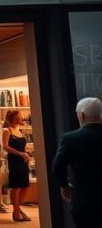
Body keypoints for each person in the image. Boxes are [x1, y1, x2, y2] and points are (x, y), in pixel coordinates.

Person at [51, 97, 102, 228]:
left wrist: (64, 186)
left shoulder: (70, 138)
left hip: (85, 202)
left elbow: (57, 167)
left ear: (82, 115)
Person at [1, 109, 32, 222]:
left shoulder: (19, 130)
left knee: (25, 185)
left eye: (20, 116)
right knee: (17, 186)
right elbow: (5, 146)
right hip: (14, 161)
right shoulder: (7, 130)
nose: (20, 118)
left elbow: (22, 147)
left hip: (23, 161)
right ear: (12, 118)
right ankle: (16, 212)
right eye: (17, 116)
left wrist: (26, 155)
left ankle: (18, 209)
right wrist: (20, 153)